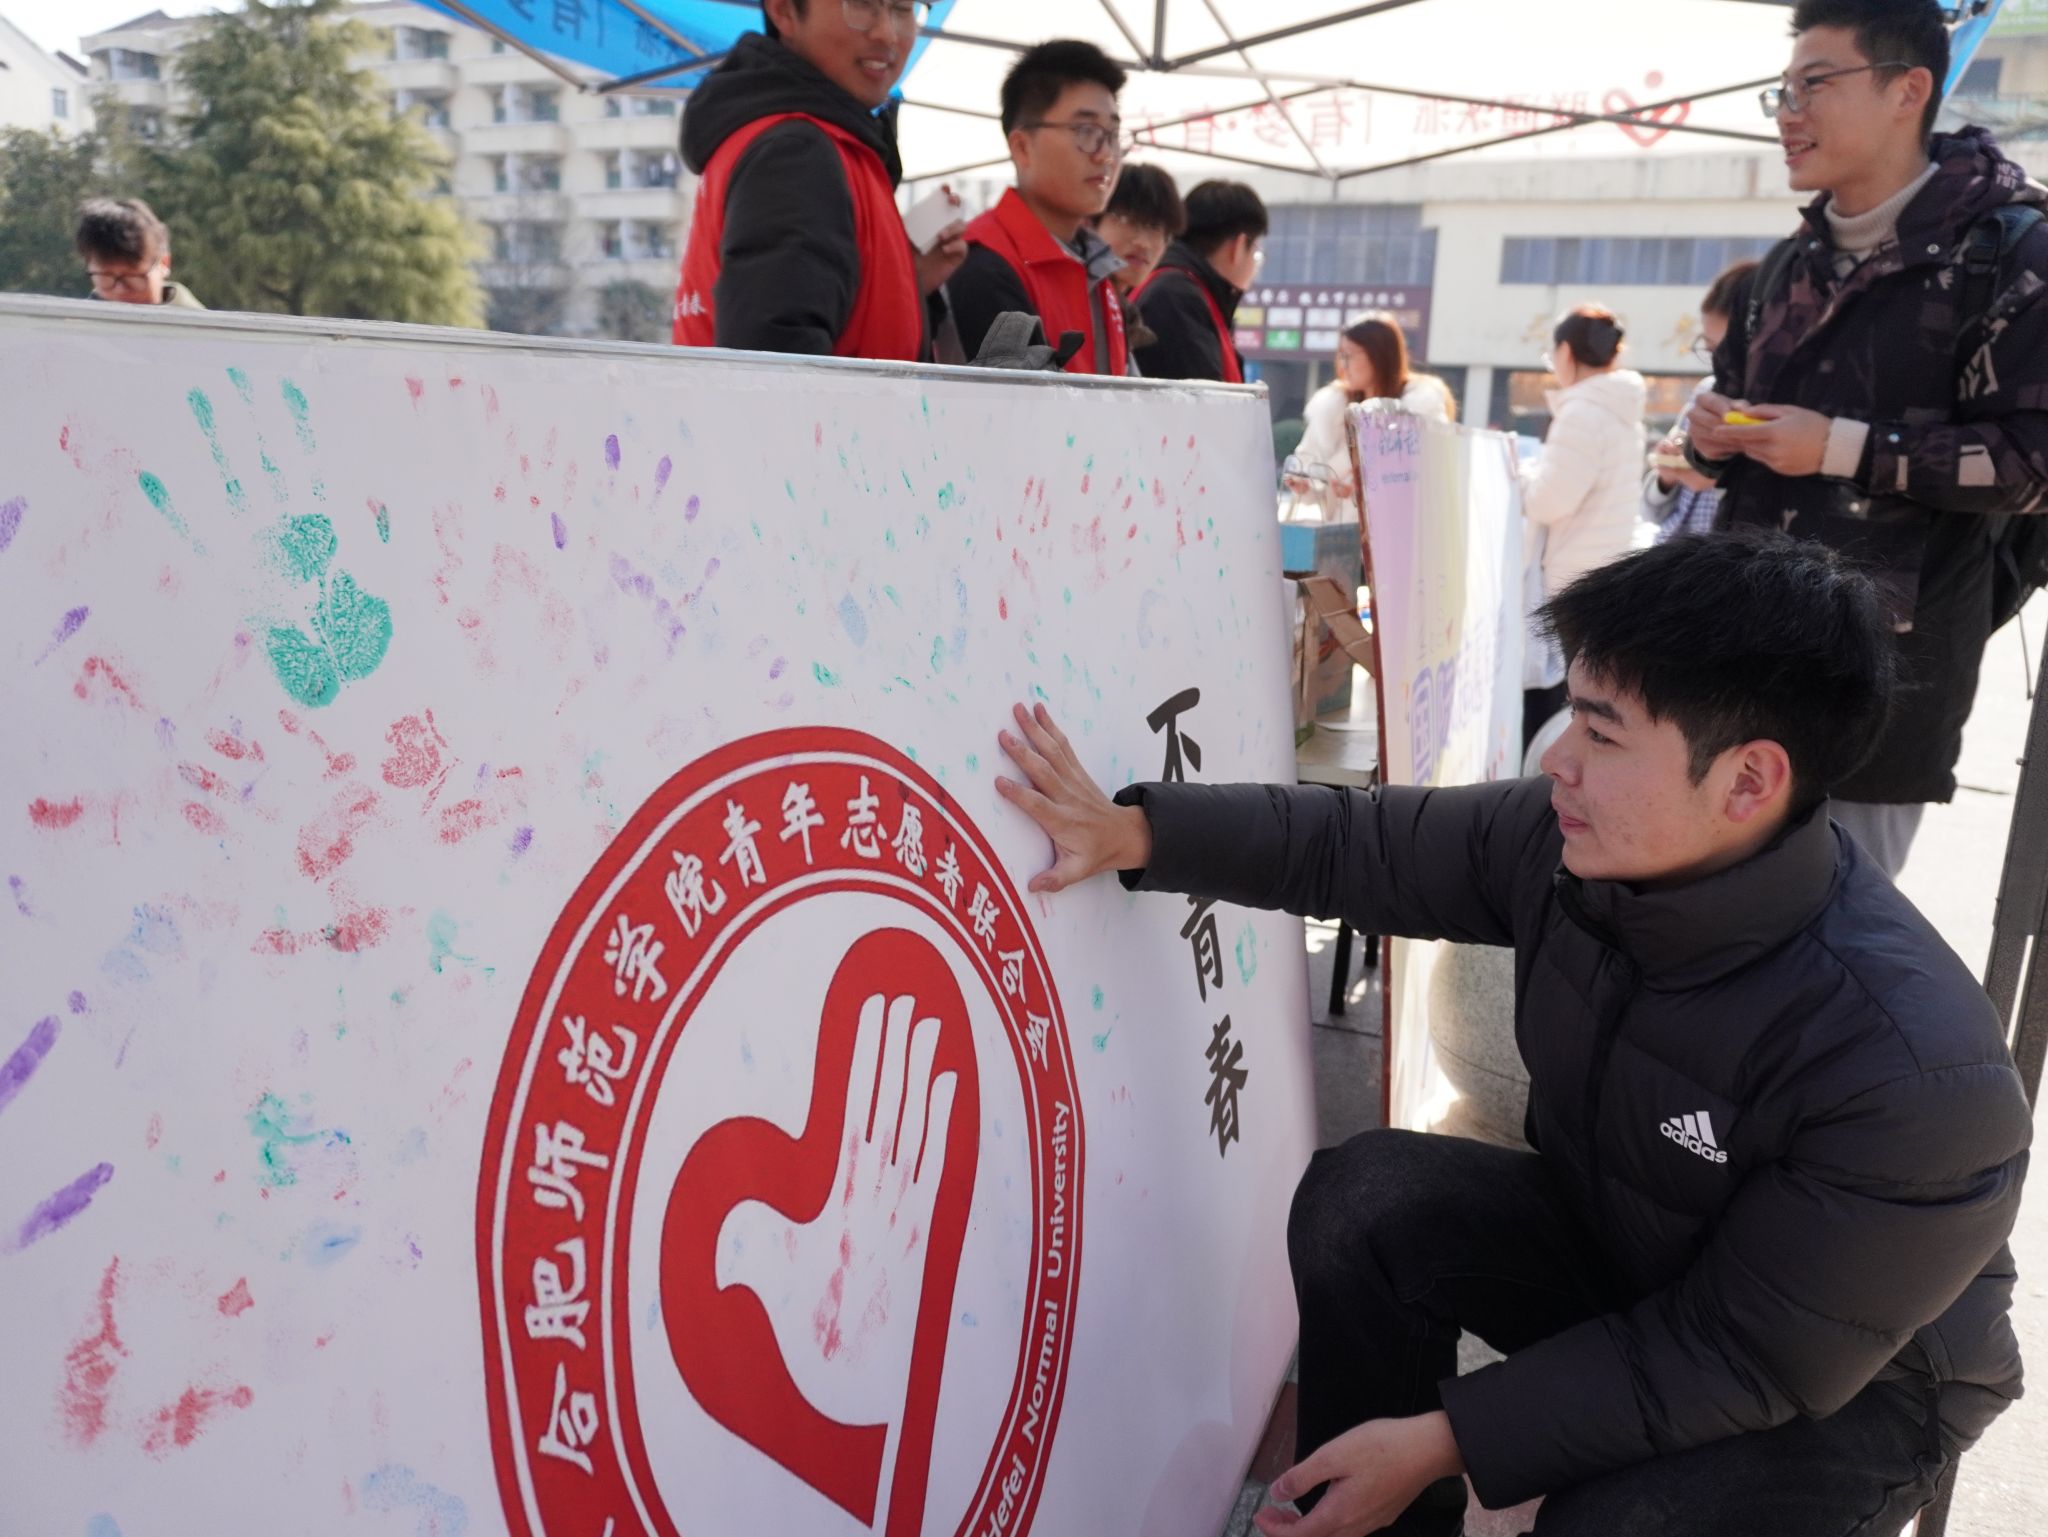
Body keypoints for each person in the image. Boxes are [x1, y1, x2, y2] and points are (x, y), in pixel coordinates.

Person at [992, 531, 2029, 1537]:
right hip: (1638, 1251)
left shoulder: (1910, 1069)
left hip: (1852, 1380)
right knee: (1366, 1200)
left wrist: (1445, 1440)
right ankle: (1364, 1520)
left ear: (1747, 782)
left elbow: (1744, 1355)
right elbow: (1362, 844)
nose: (1557, 760)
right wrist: (1137, 831)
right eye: (1570, 715)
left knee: (1612, 1520)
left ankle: (1398, 1476)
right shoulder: (1571, 841)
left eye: (1601, 734)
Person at [1686, 0, 2048, 883]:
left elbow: (2031, 465)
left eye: (1814, 85)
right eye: (1781, 91)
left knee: (1835, 930)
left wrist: (1843, 447)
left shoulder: (2009, 253)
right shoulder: (1789, 262)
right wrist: (1708, 438)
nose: (1788, 113)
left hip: (1880, 693)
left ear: (1907, 90)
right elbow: (1731, 426)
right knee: (1702, 917)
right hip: (1734, 665)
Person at [672, 0, 966, 360]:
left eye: (903, 9)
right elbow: (776, 364)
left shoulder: (796, 136)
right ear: (784, 10)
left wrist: (906, 281)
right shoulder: (795, 151)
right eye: (862, 5)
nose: (887, 34)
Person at [949, 40, 1131, 376]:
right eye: (1086, 130)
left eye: (1113, 133)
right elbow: (1022, 404)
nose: (1106, 154)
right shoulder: (984, 264)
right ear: (1022, 147)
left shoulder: (1098, 267)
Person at [1521, 305, 1646, 747]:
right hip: (1611, 566)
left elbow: (1548, 500)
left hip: (1575, 576)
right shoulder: (1622, 410)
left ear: (1566, 352)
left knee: (1573, 692)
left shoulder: (1581, 412)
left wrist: (1523, 476)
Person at [1291, 312, 1458, 505]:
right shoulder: (1332, 408)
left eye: (1349, 355)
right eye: (1341, 355)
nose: (1343, 365)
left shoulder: (1419, 407)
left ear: (1379, 354)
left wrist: (1365, 487)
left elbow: (1428, 476)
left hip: (1398, 522)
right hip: (1339, 525)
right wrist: (1304, 485)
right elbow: (1305, 466)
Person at [1644, 260, 1757, 542]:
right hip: (1675, 558)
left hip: (1725, 561)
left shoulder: (1773, 411)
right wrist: (1667, 477)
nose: (1720, 364)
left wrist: (1717, 481)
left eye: (1729, 352)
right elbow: (1652, 511)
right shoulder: (1706, 392)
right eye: (1710, 349)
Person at [1132, 179, 1267, 383]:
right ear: (1238, 247)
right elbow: (1202, 396)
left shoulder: (1179, 286)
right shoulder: (1178, 297)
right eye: (1256, 253)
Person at [1089, 162, 1184, 353]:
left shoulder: (1126, 318)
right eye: (1128, 220)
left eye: (1155, 227)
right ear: (1091, 223)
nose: (1143, 243)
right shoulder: (1078, 305)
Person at [75, 198, 204, 310]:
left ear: (164, 263)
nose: (120, 290)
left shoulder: (203, 327)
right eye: (105, 276)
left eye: (132, 277)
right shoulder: (72, 326)